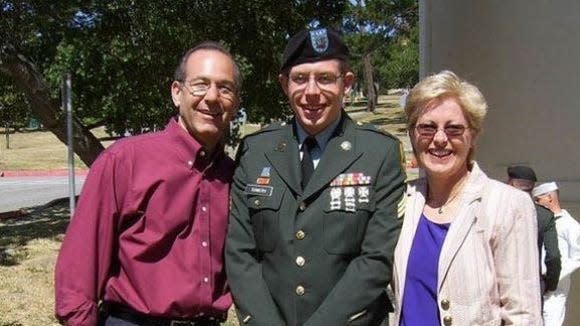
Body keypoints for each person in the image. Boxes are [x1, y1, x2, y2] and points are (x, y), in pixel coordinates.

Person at [225, 26, 406, 325]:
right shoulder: (256, 152)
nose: (311, 92)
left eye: (325, 78)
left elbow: (375, 260)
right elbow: (240, 254)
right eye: (299, 79)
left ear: (346, 83)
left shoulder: (379, 153)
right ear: (284, 84)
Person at [54, 42, 240, 325]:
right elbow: (77, 279)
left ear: (236, 102)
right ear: (177, 93)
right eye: (200, 84)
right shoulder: (125, 162)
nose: (212, 97)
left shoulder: (234, 176)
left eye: (225, 88)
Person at [393, 70, 542, 325]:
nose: (440, 139)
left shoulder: (507, 205)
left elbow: (522, 315)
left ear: (472, 136)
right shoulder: (403, 199)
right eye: (427, 128)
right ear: (412, 134)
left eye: (454, 129)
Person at [507, 165, 561, 294]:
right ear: (532, 187)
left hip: (501, 285)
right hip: (532, 286)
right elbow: (553, 256)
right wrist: (550, 284)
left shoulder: (497, 211)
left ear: (510, 184)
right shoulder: (544, 215)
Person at [533, 182, 580, 325]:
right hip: (536, 284)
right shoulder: (540, 222)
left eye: (538, 200)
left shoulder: (569, 225)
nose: (536, 204)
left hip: (555, 288)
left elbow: (577, 256)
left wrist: (554, 274)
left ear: (549, 198)